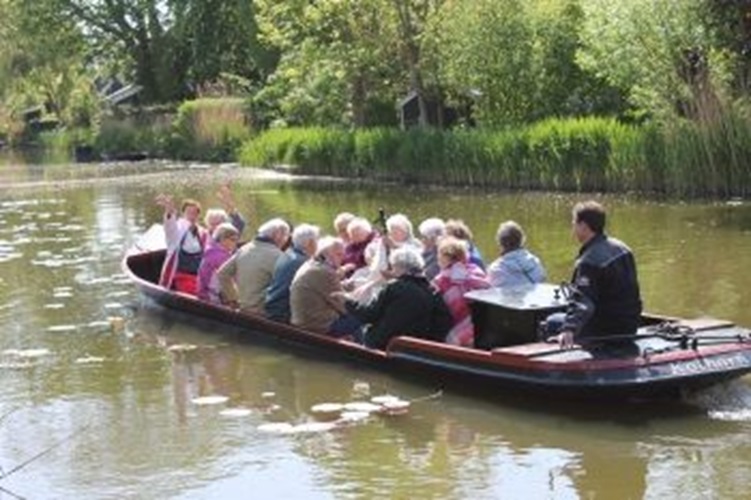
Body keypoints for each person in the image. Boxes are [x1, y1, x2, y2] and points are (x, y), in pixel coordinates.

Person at [553, 201, 642, 349]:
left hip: (605, 330)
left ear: (583, 226)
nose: (573, 228)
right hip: (630, 326)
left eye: (574, 223)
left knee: (551, 322)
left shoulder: (588, 261)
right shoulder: (623, 248)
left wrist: (568, 328)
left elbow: (583, 302)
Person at [346, 247, 453, 350]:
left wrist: (347, 301)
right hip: (417, 348)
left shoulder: (394, 286)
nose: (392, 270)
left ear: (400, 267)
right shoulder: (432, 290)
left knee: (357, 330)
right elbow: (445, 321)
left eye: (393, 267)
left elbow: (368, 315)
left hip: (383, 344)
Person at [216, 218, 290, 313]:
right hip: (263, 312)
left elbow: (222, 273)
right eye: (286, 236)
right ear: (278, 235)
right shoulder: (279, 257)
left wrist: (233, 299)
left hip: (242, 307)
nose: (286, 240)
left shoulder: (245, 248)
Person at [290, 236, 361, 336]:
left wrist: (345, 286)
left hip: (301, 320)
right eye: (338, 255)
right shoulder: (324, 272)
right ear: (326, 255)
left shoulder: (311, 264)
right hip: (316, 326)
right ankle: (365, 348)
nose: (342, 259)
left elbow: (324, 289)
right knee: (363, 317)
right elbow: (344, 307)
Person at [433, 237, 492, 347]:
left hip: (461, 332)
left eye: (439, 255)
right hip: (486, 326)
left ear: (446, 257)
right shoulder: (476, 270)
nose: (437, 259)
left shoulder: (440, 281)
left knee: (445, 339)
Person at [265, 223, 320, 322]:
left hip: (273, 306)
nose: (318, 244)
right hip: (284, 312)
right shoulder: (304, 263)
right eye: (316, 240)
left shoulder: (288, 254)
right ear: (310, 243)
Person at [157, 195, 209, 295]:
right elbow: (169, 226)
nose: (191, 216)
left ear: (198, 215)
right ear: (183, 213)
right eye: (188, 212)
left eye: (194, 213)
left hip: (199, 276)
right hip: (180, 275)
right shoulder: (177, 229)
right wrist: (169, 212)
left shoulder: (203, 232)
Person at [487, 220, 546, 288]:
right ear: (522, 240)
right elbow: (542, 279)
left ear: (500, 243)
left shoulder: (496, 269)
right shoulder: (536, 262)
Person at [196, 223, 240, 303]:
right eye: (233, 239)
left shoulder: (211, 251)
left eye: (237, 240)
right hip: (212, 297)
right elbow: (229, 281)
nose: (235, 243)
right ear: (222, 239)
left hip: (203, 293)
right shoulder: (222, 256)